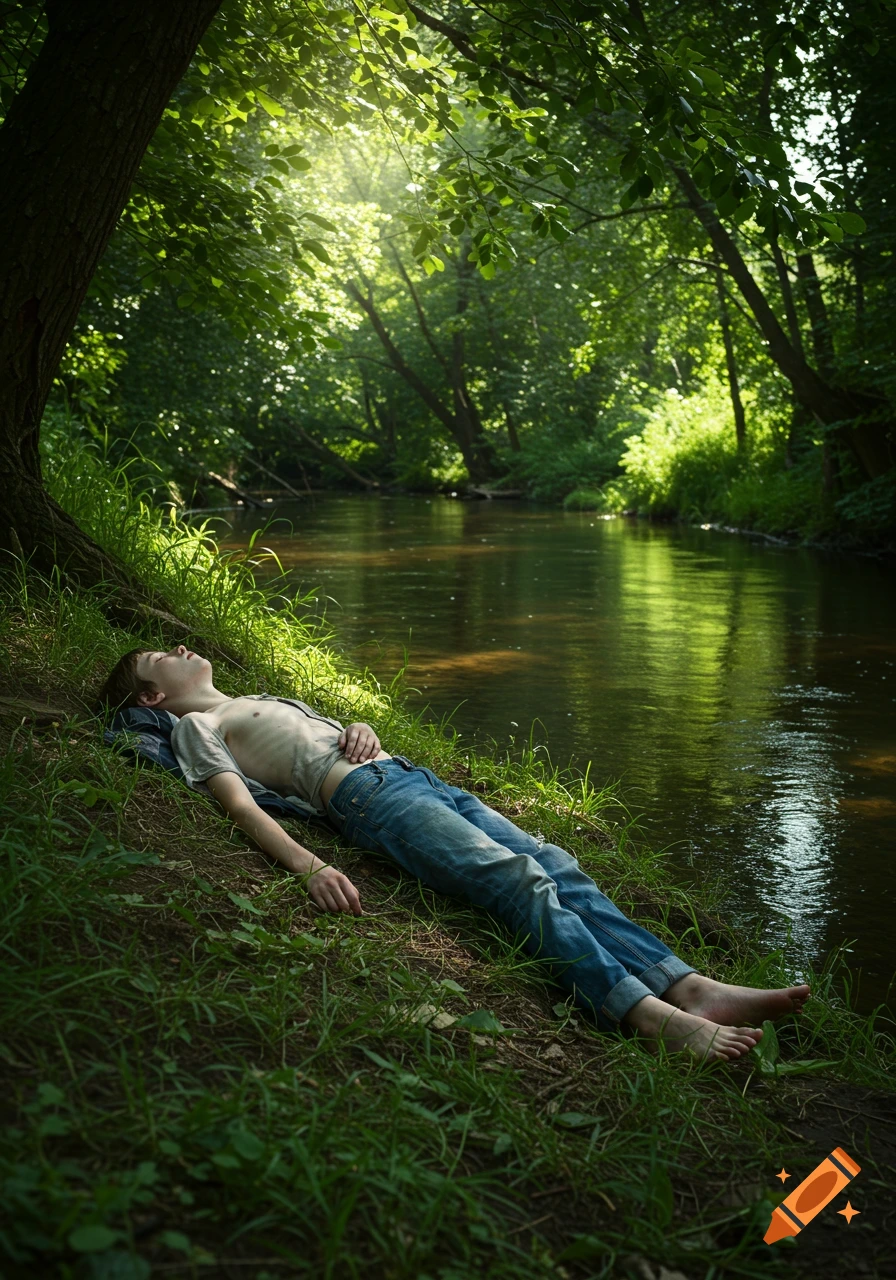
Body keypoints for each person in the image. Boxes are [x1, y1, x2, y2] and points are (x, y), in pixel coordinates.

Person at [98, 644, 810, 1061]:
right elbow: (241, 803)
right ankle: (642, 1012)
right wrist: (306, 863)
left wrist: (360, 723)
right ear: (156, 694)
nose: (185, 646)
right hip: (373, 803)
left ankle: (688, 985)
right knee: (518, 879)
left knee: (558, 863)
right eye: (166, 654)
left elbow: (301, 736)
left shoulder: (246, 696)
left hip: (407, 776)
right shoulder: (197, 727)